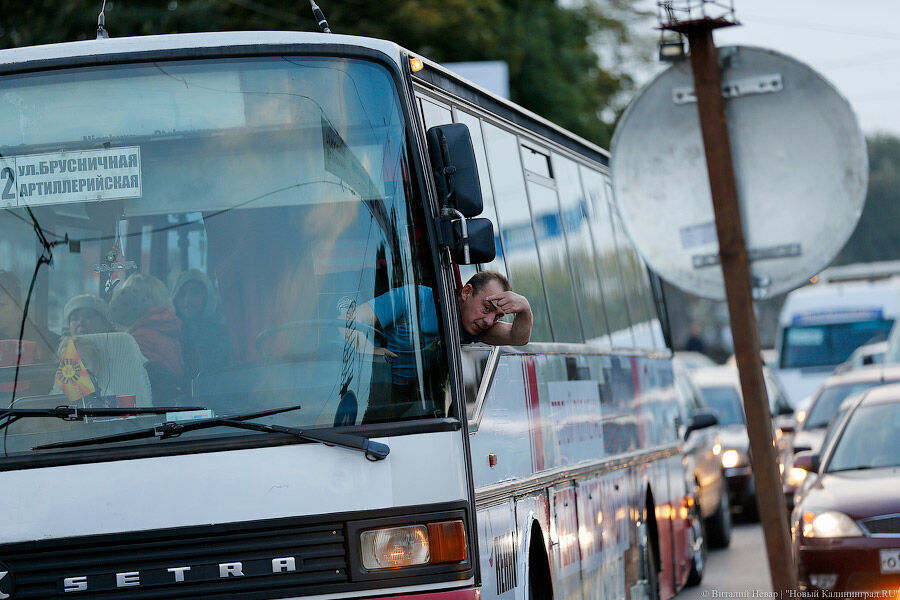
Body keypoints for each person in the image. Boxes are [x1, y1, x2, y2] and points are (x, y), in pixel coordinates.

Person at [343, 271, 532, 420]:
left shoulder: (474, 327)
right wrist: (371, 351)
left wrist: (524, 308)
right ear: (466, 292)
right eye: (487, 308)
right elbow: (346, 322)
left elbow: (518, 338)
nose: (489, 321)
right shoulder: (412, 299)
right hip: (373, 395)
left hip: (418, 407)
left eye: (497, 316)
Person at [108, 273, 186, 400]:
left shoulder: (138, 339)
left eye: (132, 296)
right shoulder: (165, 328)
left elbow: (121, 384)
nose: (128, 302)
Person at [172, 269, 234, 377]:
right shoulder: (171, 331)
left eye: (195, 293)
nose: (187, 300)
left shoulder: (221, 334)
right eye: (182, 294)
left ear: (207, 297)